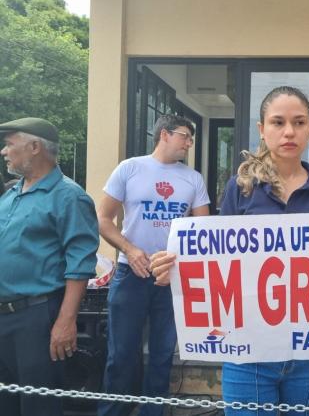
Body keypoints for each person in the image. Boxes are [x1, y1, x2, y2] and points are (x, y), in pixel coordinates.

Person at [150, 86, 309, 416]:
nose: (289, 131)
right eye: (278, 122)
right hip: (248, 346)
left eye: (299, 122)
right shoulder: (239, 188)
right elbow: (217, 258)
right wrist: (176, 265)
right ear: (262, 129)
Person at [97, 114, 210, 416]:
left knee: (161, 358)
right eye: (185, 136)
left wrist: (176, 261)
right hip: (130, 273)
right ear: (164, 134)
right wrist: (130, 249)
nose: (189, 143)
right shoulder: (130, 169)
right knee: (120, 356)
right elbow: (104, 220)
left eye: (190, 138)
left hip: (171, 277)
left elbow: (204, 230)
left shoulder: (193, 178)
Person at [0, 117, 99, 416]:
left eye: (9, 144)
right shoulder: (11, 195)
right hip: (4, 316)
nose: (4, 152)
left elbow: (80, 263)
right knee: (6, 402)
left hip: (37, 317)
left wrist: (65, 322)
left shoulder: (69, 196)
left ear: (34, 147)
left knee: (38, 406)